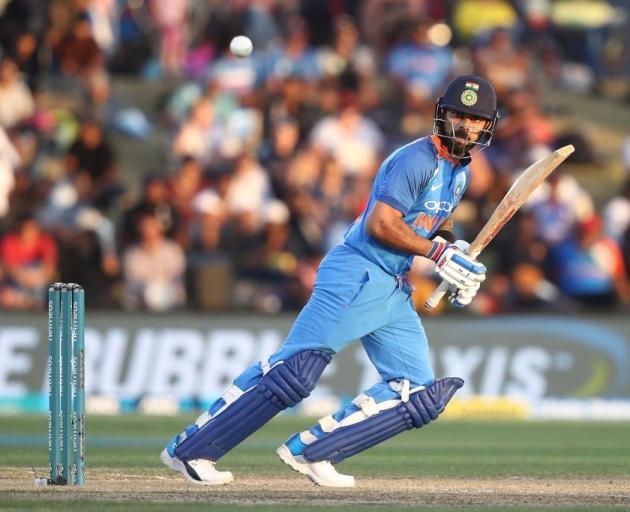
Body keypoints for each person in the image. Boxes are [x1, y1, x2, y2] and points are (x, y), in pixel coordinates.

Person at [160, 75, 497, 487]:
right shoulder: (417, 159)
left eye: (475, 119)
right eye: (460, 115)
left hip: (392, 284)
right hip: (357, 271)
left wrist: (453, 257)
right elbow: (380, 224)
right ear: (443, 114)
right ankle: (191, 449)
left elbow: (430, 228)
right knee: (296, 371)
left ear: (487, 126)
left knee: (417, 393)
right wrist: (437, 254)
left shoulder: (458, 174)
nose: (466, 126)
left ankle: (313, 451)